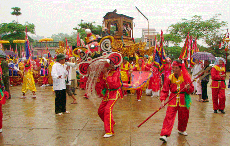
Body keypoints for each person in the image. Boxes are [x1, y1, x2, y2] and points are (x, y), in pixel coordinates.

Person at [159, 60, 194, 143]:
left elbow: (191, 90)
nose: (174, 69)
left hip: (183, 99)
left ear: (180, 68)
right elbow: (164, 90)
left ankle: (182, 129)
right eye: (173, 68)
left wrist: (188, 87)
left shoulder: (186, 77)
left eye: (176, 68)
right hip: (173, 99)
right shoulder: (169, 78)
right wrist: (163, 100)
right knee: (169, 116)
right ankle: (164, 134)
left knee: (184, 116)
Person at [98, 59, 123, 138]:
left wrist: (105, 74)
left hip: (115, 92)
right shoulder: (107, 72)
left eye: (112, 64)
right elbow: (102, 84)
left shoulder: (116, 73)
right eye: (109, 64)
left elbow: (113, 85)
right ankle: (111, 122)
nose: (110, 65)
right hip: (108, 93)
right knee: (100, 110)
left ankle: (109, 131)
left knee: (107, 109)